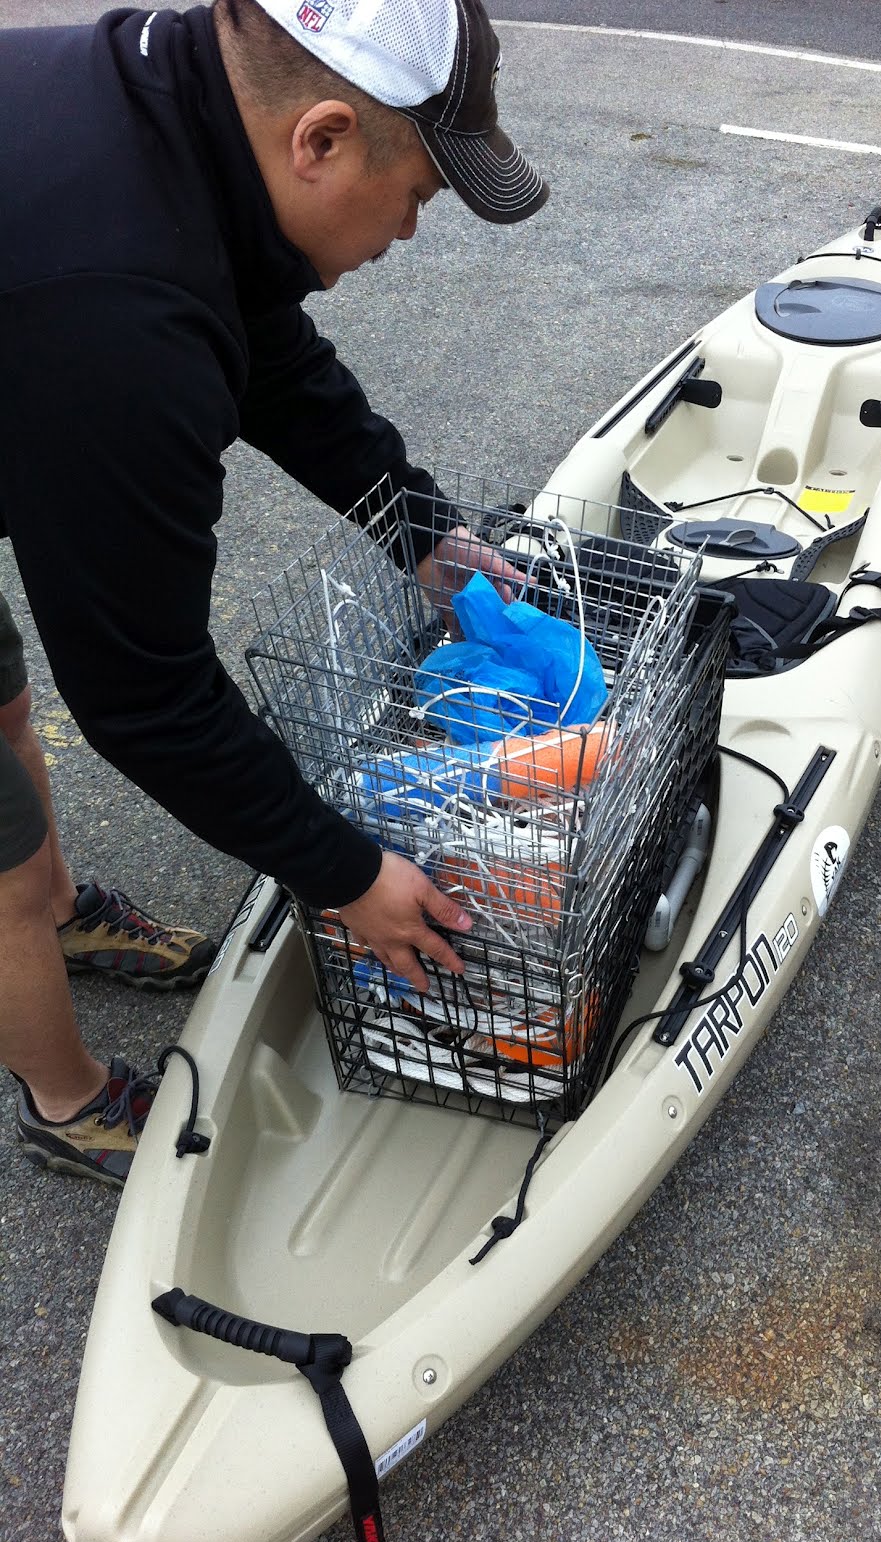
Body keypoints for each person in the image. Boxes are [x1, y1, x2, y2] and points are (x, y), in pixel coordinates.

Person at [0, 0, 548, 1186]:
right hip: (49, 319)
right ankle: (65, 1100)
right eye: (417, 197)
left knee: (3, 707)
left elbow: (272, 356)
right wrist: (345, 874)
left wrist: (419, 527)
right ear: (323, 139)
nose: (407, 231)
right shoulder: (118, 321)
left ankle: (56, 908)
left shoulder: (179, 110)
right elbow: (145, 697)